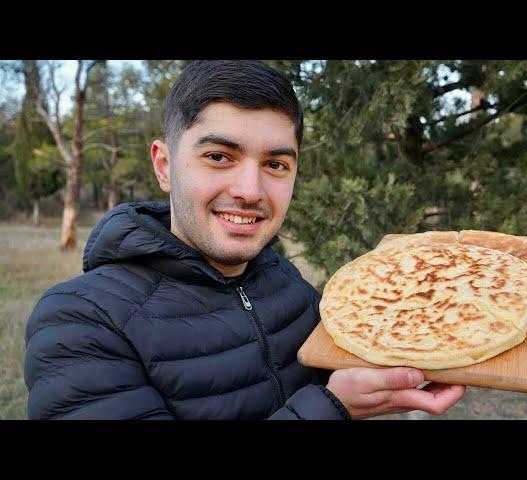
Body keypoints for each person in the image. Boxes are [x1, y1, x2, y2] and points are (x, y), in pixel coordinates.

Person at [23, 60, 465, 420]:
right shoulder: (77, 324)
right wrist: (332, 408)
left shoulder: (282, 276)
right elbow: (329, 398)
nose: (250, 191)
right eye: (219, 157)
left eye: (275, 164)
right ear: (164, 165)